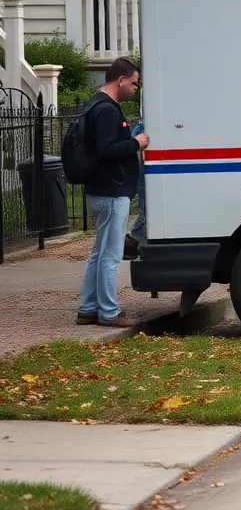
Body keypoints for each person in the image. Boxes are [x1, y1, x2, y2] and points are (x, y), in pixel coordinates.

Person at [76, 57, 149, 327]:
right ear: (120, 79)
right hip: (111, 190)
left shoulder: (95, 105)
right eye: (133, 83)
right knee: (110, 253)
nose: (134, 88)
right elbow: (107, 149)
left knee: (99, 251)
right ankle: (109, 311)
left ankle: (88, 308)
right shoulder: (107, 110)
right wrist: (135, 143)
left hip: (102, 189)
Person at [123, 118, 146, 261]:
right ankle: (133, 239)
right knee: (147, 211)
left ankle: (133, 240)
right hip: (144, 174)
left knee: (146, 210)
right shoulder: (143, 125)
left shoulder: (141, 124)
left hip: (142, 173)